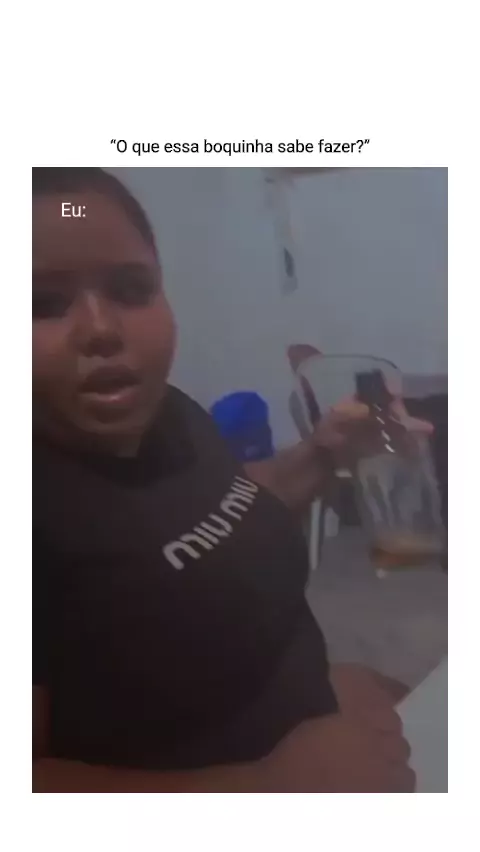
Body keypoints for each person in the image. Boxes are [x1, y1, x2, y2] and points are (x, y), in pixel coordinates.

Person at [33, 168, 416, 793]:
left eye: (131, 289)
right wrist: (263, 785)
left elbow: (221, 512)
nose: (101, 329)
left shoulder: (169, 412)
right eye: (41, 304)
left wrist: (322, 455)